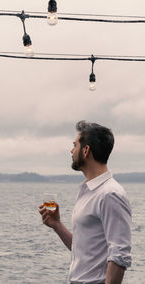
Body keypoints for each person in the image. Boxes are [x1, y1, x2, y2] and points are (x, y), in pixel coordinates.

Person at [39, 120, 132, 284]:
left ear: (86, 150)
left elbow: (119, 254)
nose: (71, 150)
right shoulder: (87, 191)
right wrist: (57, 225)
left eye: (74, 145)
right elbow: (84, 250)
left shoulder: (110, 194)